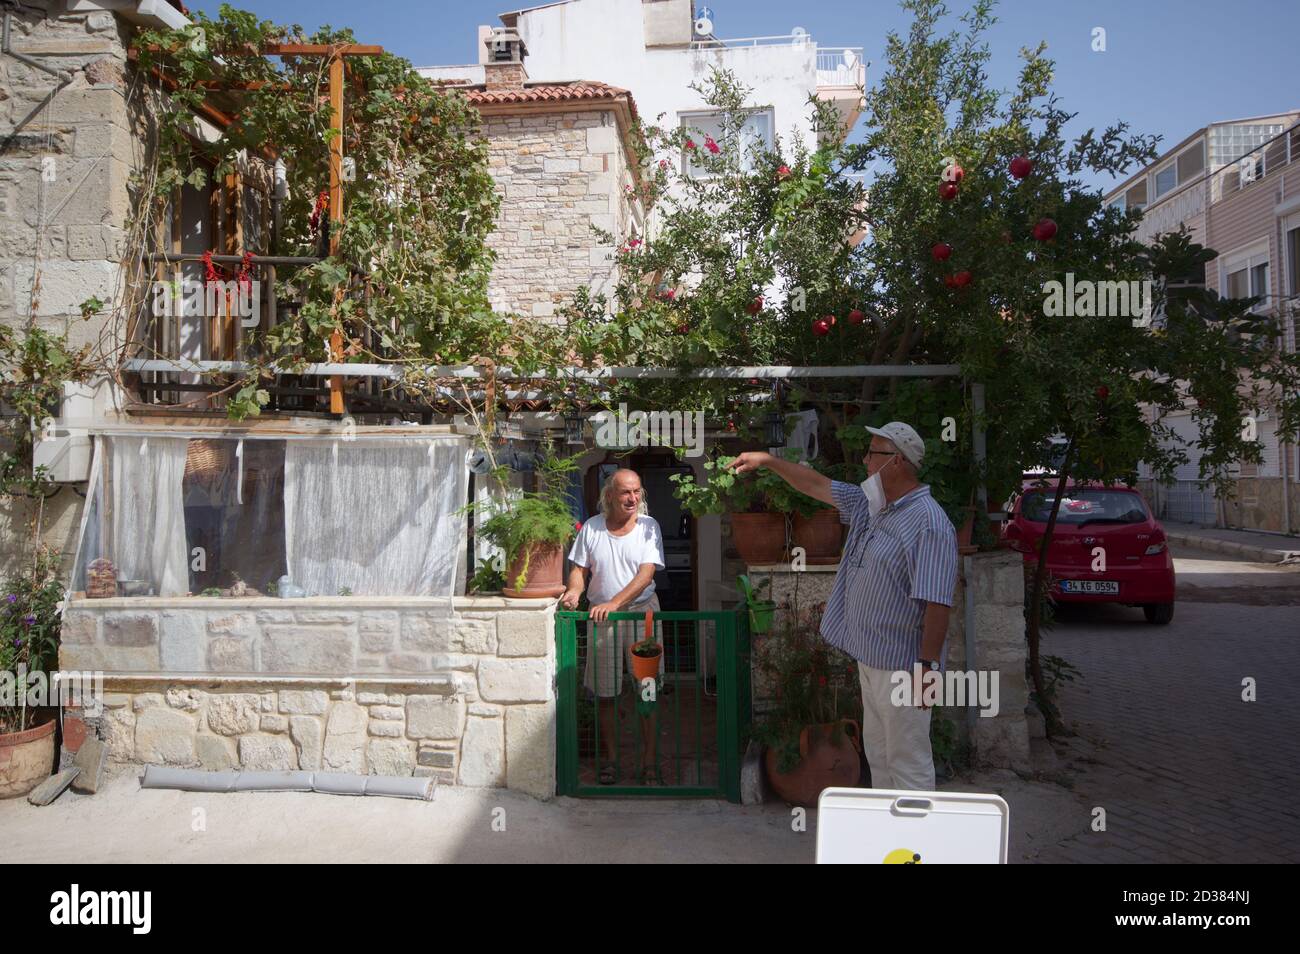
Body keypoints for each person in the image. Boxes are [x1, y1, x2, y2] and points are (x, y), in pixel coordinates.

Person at [730, 421, 958, 791]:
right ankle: (890, 842)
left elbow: (938, 602)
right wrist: (768, 461)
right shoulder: (874, 506)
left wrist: (928, 667)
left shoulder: (928, 523)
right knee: (880, 755)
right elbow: (815, 484)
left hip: (904, 667)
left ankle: (916, 845)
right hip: (871, 657)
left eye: (873, 453)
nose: (866, 460)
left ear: (897, 461)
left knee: (909, 761)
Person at [560, 468, 666, 785]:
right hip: (602, 618)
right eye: (625, 492)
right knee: (605, 693)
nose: (633, 498)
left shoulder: (649, 527)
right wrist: (575, 592)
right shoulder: (592, 528)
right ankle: (612, 761)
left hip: (640, 613)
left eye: (637, 492)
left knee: (647, 691)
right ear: (610, 495)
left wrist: (615, 603)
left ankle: (649, 762)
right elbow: (579, 569)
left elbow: (646, 575)